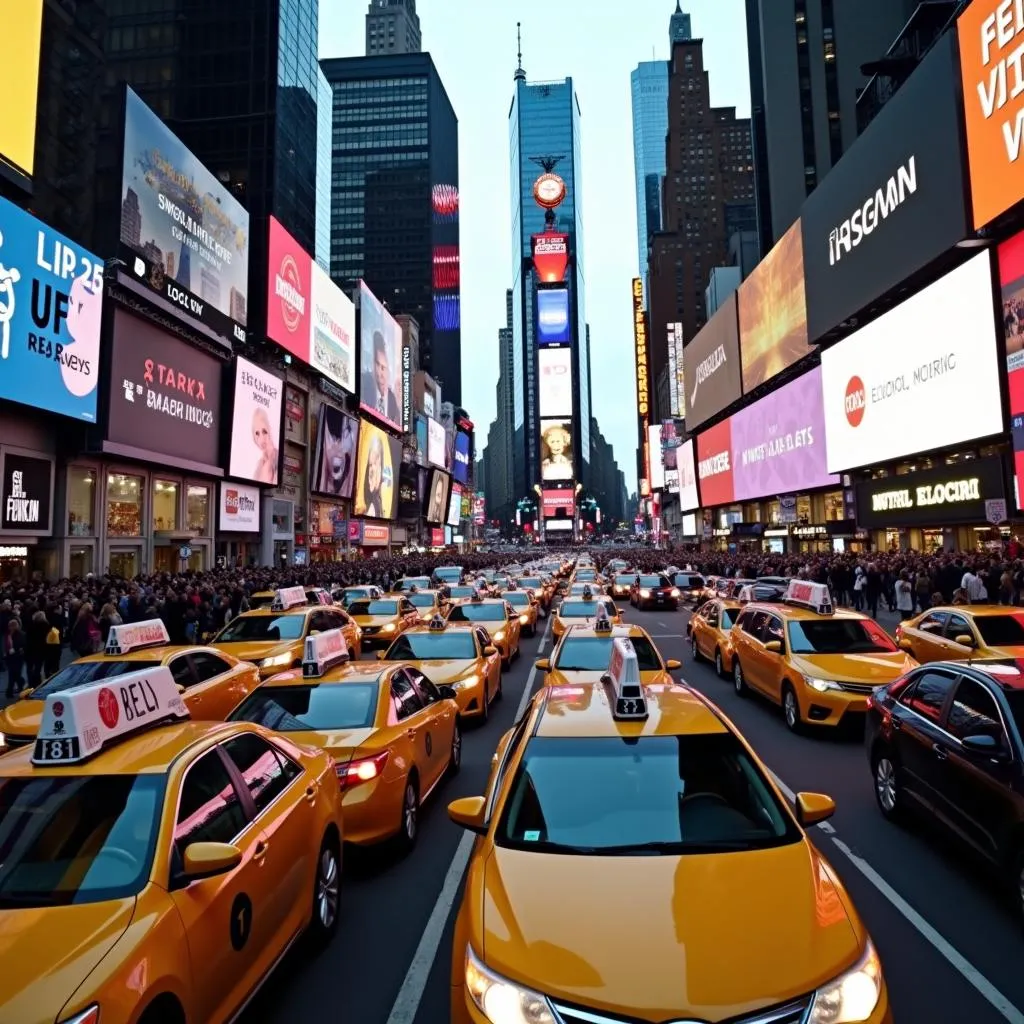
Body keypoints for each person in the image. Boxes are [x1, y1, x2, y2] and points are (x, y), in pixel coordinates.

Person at [361, 329, 400, 423]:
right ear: (373, 365)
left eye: (384, 368)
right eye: (378, 365)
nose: (381, 374)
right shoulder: (363, 382)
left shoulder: (392, 401)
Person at [359, 433, 387, 518]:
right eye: (370, 465)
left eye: (375, 463)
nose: (372, 471)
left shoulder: (381, 507)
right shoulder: (361, 506)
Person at [251, 406, 279, 484]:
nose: (261, 439)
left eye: (264, 432)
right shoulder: (259, 465)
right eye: (257, 433)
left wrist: (270, 461)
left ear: (269, 430)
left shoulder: (278, 457)